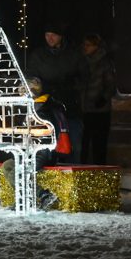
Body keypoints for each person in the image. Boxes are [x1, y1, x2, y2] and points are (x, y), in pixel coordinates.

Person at [0, 77, 70, 210]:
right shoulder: (33, 106)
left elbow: (45, 134)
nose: (20, 94)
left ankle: (44, 195)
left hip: (44, 151)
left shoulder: (43, 108)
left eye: (22, 91)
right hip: (31, 151)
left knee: (18, 172)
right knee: (7, 166)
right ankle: (25, 199)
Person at [27, 23, 88, 162]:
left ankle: (72, 177)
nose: (50, 38)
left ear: (61, 36)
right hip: (46, 108)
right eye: (47, 35)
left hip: (70, 106)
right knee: (49, 147)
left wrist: (70, 86)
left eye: (53, 35)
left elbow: (84, 76)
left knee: (74, 145)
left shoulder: (73, 54)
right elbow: (32, 78)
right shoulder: (38, 55)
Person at [80, 34, 115, 164]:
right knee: (85, 142)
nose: (85, 47)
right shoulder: (83, 61)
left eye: (88, 45)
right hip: (85, 108)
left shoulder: (104, 63)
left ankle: (99, 167)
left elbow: (110, 85)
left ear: (96, 46)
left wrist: (103, 99)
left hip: (100, 110)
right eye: (84, 45)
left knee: (99, 142)